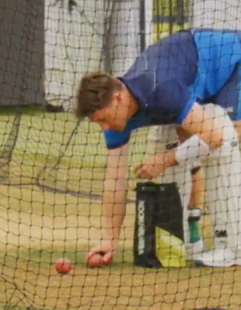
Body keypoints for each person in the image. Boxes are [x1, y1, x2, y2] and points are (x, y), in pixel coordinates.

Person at [77, 28, 241, 268]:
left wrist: (165, 160)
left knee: (225, 137)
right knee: (166, 138)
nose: (104, 127)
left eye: (103, 118)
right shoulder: (118, 115)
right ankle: (180, 239)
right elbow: (115, 180)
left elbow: (215, 138)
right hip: (194, 76)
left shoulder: (160, 88)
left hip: (231, 61)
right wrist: (109, 240)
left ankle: (233, 248)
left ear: (118, 99)